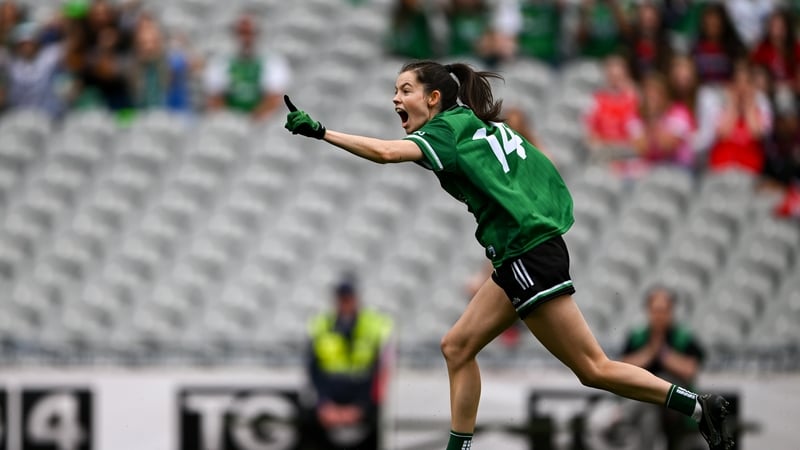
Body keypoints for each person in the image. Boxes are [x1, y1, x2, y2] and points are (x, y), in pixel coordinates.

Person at [283, 60, 734, 450]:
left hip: (526, 255)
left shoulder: (443, 133)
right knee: (457, 347)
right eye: (394, 91)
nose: (395, 99)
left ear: (434, 96)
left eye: (405, 90)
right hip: (520, 253)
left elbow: (384, 153)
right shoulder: (471, 122)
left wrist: (322, 132)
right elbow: (536, 170)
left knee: (593, 369)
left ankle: (698, 407)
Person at [305, 276, 393, 450]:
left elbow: (379, 370)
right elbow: (313, 368)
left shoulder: (374, 325)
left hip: (363, 396)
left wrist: (361, 406)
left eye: (348, 298)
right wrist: (324, 404)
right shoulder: (320, 324)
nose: (344, 303)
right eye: (341, 298)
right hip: (330, 396)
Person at [622, 287, 706, 450]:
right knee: (649, 410)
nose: (659, 315)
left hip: (677, 406)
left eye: (664, 310)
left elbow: (690, 370)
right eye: (655, 310)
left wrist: (663, 354)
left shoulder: (683, 337)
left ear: (671, 311)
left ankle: (623, 414)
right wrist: (650, 352)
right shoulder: (638, 337)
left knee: (659, 383)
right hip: (648, 404)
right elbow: (625, 367)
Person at [203, 12, 290, 121]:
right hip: (229, 122)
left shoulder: (273, 62)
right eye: (241, 33)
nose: (245, 39)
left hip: (262, 123)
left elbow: (274, 99)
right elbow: (215, 99)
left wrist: (252, 120)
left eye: (249, 33)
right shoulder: (221, 62)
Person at [583, 54, 640, 160]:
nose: (615, 81)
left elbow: (639, 134)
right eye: (611, 76)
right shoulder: (595, 100)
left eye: (618, 76)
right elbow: (589, 132)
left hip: (628, 152)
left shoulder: (634, 99)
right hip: (604, 152)